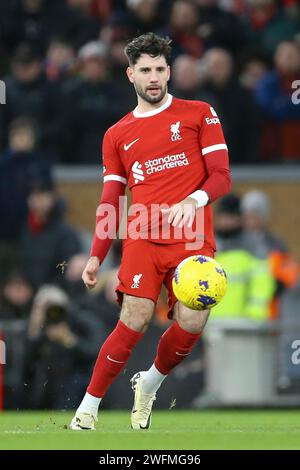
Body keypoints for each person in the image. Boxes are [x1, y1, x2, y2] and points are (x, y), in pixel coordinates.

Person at [70, 32, 231, 431]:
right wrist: (96, 254)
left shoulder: (199, 113)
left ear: (169, 71)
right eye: (145, 70)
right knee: (136, 317)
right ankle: (87, 409)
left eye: (160, 68)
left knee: (193, 322)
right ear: (131, 75)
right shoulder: (117, 134)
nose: (154, 76)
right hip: (142, 233)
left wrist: (192, 202)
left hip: (192, 235)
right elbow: (111, 200)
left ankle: (150, 382)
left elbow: (222, 177)